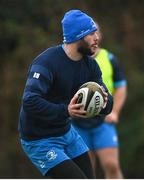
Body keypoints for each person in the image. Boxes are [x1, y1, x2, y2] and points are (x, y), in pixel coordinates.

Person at [18, 9, 113, 179]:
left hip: (66, 132)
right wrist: (66, 111)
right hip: (39, 140)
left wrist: (105, 102)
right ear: (78, 36)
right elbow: (30, 101)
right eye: (91, 34)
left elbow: (107, 104)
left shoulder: (90, 66)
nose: (97, 38)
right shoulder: (46, 62)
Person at [72, 23, 127, 179]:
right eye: (90, 33)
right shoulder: (72, 60)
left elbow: (121, 87)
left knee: (112, 165)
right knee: (86, 171)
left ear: (100, 35)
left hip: (103, 122)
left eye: (96, 32)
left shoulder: (109, 58)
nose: (94, 36)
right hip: (78, 123)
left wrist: (115, 112)